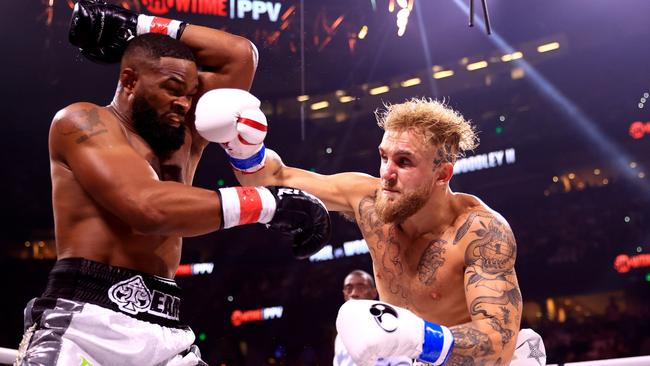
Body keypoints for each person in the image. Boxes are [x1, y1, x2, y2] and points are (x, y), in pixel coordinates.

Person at [15, 2, 330, 365]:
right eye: (172, 88)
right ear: (130, 81)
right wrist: (267, 204)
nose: (184, 103)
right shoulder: (83, 122)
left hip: (166, 326)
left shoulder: (181, 138)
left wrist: (136, 24)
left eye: (191, 93)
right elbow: (147, 208)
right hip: (86, 320)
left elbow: (239, 55)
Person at [194, 93, 546, 365]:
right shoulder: (368, 200)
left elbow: (498, 347)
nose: (387, 174)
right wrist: (244, 147)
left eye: (404, 161)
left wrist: (417, 337)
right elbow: (274, 178)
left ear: (442, 174)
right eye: (384, 156)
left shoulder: (480, 232)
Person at [335, 270, 412, 366]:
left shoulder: (389, 325)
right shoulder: (341, 335)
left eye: (360, 287)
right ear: (344, 294)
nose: (354, 293)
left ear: (374, 292)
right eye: (348, 288)